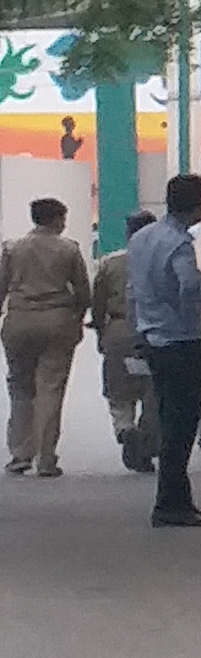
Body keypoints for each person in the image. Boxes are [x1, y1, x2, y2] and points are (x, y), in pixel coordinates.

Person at [127, 173, 201, 526]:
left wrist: (140, 329)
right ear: (197, 206)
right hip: (181, 341)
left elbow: (132, 290)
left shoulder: (143, 238)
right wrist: (192, 319)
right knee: (183, 424)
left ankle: (175, 498)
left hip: (152, 339)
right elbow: (188, 286)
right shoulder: (179, 244)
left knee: (168, 418)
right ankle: (171, 502)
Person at [1, 197, 86, 474]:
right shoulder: (69, 249)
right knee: (50, 389)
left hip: (19, 321)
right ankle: (47, 458)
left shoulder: (12, 249)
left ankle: (21, 453)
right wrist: (77, 319)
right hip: (56, 321)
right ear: (56, 219)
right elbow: (83, 291)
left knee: (21, 388)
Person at [89, 235, 153, 474]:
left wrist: (100, 332)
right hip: (155, 330)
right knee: (153, 390)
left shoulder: (110, 263)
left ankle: (125, 427)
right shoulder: (164, 258)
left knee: (118, 388)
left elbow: (98, 303)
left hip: (119, 329)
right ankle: (146, 438)